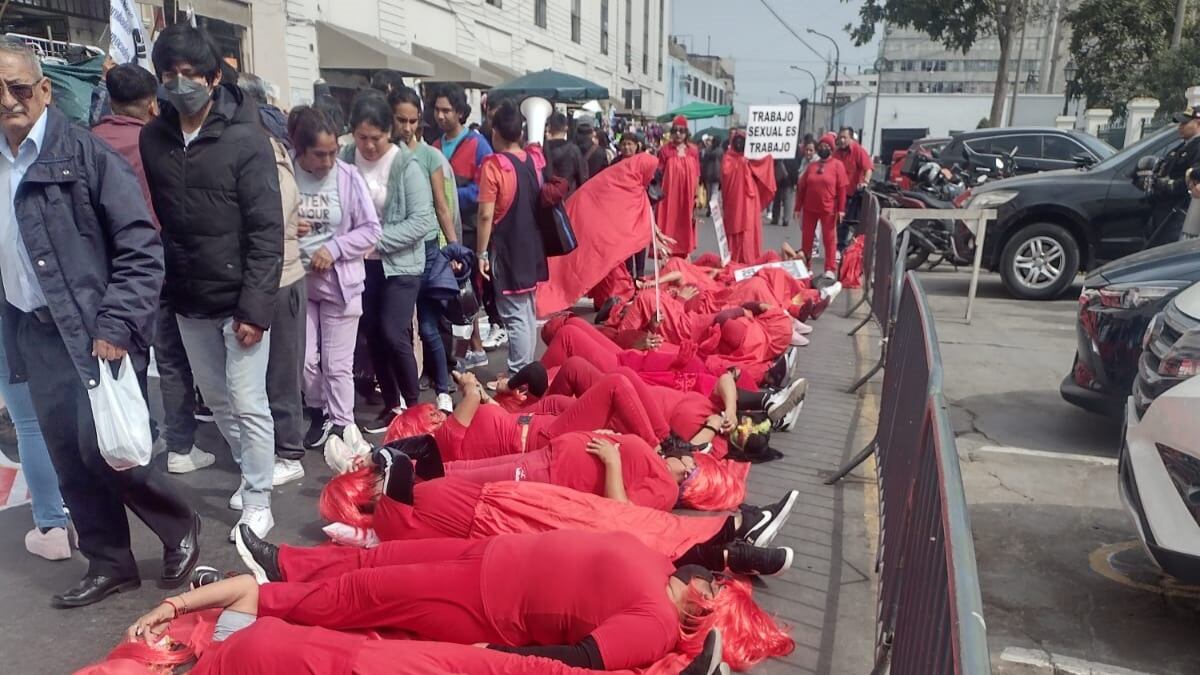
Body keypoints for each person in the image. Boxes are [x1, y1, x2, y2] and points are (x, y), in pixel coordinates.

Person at [0, 37, 198, 606]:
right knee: (68, 454)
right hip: (34, 330)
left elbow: (140, 244)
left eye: (19, 87)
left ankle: (179, 523)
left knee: (108, 447)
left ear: (43, 90)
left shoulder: (86, 155)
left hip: (97, 331)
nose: (9, 100)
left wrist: (116, 323)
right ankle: (110, 563)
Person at [141, 24, 284, 541]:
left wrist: (255, 308)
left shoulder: (246, 140)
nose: (180, 84)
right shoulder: (154, 138)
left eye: (190, 74)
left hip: (238, 298)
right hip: (187, 296)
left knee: (249, 402)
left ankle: (260, 497)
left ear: (214, 77)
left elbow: (268, 231)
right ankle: (250, 473)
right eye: (169, 74)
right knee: (219, 401)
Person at [92, 64, 211, 475]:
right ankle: (179, 446)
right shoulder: (154, 142)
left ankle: (130, 439)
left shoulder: (87, 144)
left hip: (102, 270)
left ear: (109, 101)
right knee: (172, 357)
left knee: (121, 359)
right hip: (154, 262)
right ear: (152, 104)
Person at [286, 106, 381, 450]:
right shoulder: (287, 174)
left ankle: (343, 424)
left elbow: (371, 230)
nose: (327, 161)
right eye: (319, 154)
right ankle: (317, 410)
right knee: (305, 359)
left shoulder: (348, 177)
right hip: (298, 281)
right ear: (301, 150)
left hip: (341, 285)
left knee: (337, 364)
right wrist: (288, 225)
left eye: (333, 152)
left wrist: (336, 248)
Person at [343, 92, 437, 434]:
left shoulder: (405, 165)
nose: (369, 146)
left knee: (393, 331)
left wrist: (371, 239)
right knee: (371, 334)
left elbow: (421, 222)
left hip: (401, 265)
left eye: (377, 139)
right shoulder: (345, 158)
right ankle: (392, 403)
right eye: (362, 138)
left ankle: (415, 408)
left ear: (389, 133)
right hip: (361, 265)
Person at [389, 86, 457, 413]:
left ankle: (443, 388)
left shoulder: (429, 155)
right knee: (398, 328)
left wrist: (456, 249)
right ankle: (403, 394)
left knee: (428, 325)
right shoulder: (381, 152)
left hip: (428, 248)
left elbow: (442, 206)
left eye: (413, 120)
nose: (407, 127)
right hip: (396, 252)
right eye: (401, 120)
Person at [477, 99, 548, 375]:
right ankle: (527, 369)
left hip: (508, 250)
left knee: (515, 315)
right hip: (532, 247)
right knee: (527, 312)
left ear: (495, 132)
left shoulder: (494, 165)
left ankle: (520, 373)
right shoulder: (534, 160)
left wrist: (481, 254)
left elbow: (485, 215)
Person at [432, 83, 497, 366]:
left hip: (467, 230)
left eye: (446, 110)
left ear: (460, 112)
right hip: (440, 232)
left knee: (465, 291)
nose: (440, 115)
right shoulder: (433, 145)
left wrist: (445, 197)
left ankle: (473, 349)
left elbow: (483, 191)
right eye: (436, 109)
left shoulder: (478, 144)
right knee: (449, 293)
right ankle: (464, 350)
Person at [795, 133, 848, 280]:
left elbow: (842, 189)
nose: (823, 148)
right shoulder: (812, 166)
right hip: (810, 208)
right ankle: (806, 267)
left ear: (831, 148)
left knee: (829, 240)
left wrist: (841, 210)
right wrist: (797, 208)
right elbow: (802, 188)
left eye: (827, 146)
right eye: (821, 145)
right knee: (807, 240)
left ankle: (830, 268)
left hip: (828, 210)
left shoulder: (838, 166)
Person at [721, 129, 777, 264]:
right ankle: (734, 260)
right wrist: (741, 162)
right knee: (735, 227)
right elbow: (725, 173)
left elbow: (764, 164)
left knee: (749, 229)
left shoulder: (751, 158)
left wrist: (768, 157)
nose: (739, 144)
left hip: (750, 199)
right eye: (737, 141)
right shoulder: (728, 157)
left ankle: (750, 260)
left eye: (743, 141)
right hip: (734, 200)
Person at [1148, 106, 1200, 245]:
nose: (1180, 127)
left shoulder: (1197, 147)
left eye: (1185, 123)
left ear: (1198, 123)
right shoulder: (1182, 147)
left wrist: (1167, 185)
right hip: (1166, 210)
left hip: (1180, 211)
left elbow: (1192, 180)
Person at [657, 116, 702, 257]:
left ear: (686, 133)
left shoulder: (693, 151)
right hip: (669, 196)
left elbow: (697, 174)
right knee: (668, 223)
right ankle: (667, 255)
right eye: (675, 130)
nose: (678, 134)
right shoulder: (665, 151)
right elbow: (659, 173)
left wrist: (697, 195)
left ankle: (684, 254)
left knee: (685, 223)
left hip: (688, 196)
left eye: (681, 131)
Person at [833, 127, 873, 250]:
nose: (842, 140)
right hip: (837, 194)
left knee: (847, 223)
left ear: (851, 138)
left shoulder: (858, 151)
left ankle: (842, 248)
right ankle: (838, 248)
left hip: (852, 194)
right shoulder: (837, 153)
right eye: (840, 137)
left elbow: (868, 169)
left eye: (845, 137)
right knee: (837, 222)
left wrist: (865, 182)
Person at [543, 111, 588, 195]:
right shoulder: (574, 150)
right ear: (566, 128)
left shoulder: (541, 150)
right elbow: (581, 178)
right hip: (568, 198)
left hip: (546, 198)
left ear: (549, 127)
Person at [770, 143, 799, 227]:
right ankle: (778, 217)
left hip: (788, 175)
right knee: (779, 198)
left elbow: (796, 161)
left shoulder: (793, 146)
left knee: (786, 198)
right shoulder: (778, 143)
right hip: (779, 174)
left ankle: (784, 218)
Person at [700, 134, 723, 215]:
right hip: (717, 174)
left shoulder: (707, 150)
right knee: (715, 193)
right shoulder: (721, 151)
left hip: (708, 174)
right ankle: (714, 210)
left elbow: (704, 163)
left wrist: (702, 174)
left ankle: (710, 209)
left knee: (709, 194)